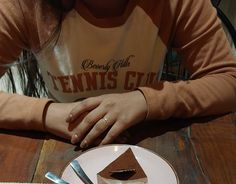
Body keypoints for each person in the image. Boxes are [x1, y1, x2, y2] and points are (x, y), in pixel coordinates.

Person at [0, 0, 235, 149]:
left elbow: (227, 80)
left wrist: (145, 101)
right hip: (64, 145)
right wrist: (49, 114)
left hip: (148, 141)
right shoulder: (24, 6)